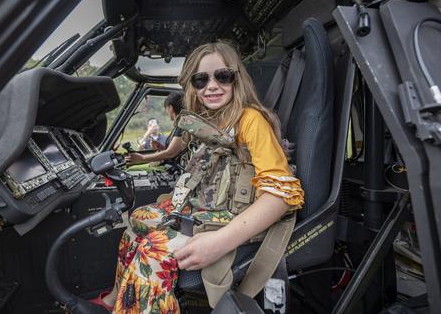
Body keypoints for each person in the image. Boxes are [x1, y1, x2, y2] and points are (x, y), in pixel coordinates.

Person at [92, 41, 304, 313]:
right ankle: (114, 301)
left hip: (238, 218)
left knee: (151, 248)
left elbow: (280, 196)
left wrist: (218, 243)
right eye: (201, 80)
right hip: (212, 209)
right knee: (137, 220)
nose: (211, 86)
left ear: (236, 78)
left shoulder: (251, 120)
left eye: (222, 76)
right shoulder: (213, 120)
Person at [126, 91, 185, 165]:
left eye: (166, 108)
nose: (167, 112)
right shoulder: (178, 126)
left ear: (170, 107)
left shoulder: (182, 126)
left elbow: (170, 153)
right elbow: (176, 151)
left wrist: (142, 158)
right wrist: (161, 147)